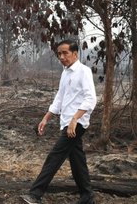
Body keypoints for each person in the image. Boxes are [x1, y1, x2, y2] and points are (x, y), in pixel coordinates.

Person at [21, 40, 97, 204]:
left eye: (65, 53)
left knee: (54, 157)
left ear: (75, 53)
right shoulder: (65, 72)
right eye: (59, 54)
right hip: (66, 123)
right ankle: (87, 196)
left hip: (76, 124)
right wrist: (46, 118)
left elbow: (91, 99)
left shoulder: (84, 72)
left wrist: (75, 119)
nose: (61, 57)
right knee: (77, 160)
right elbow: (60, 98)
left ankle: (35, 194)